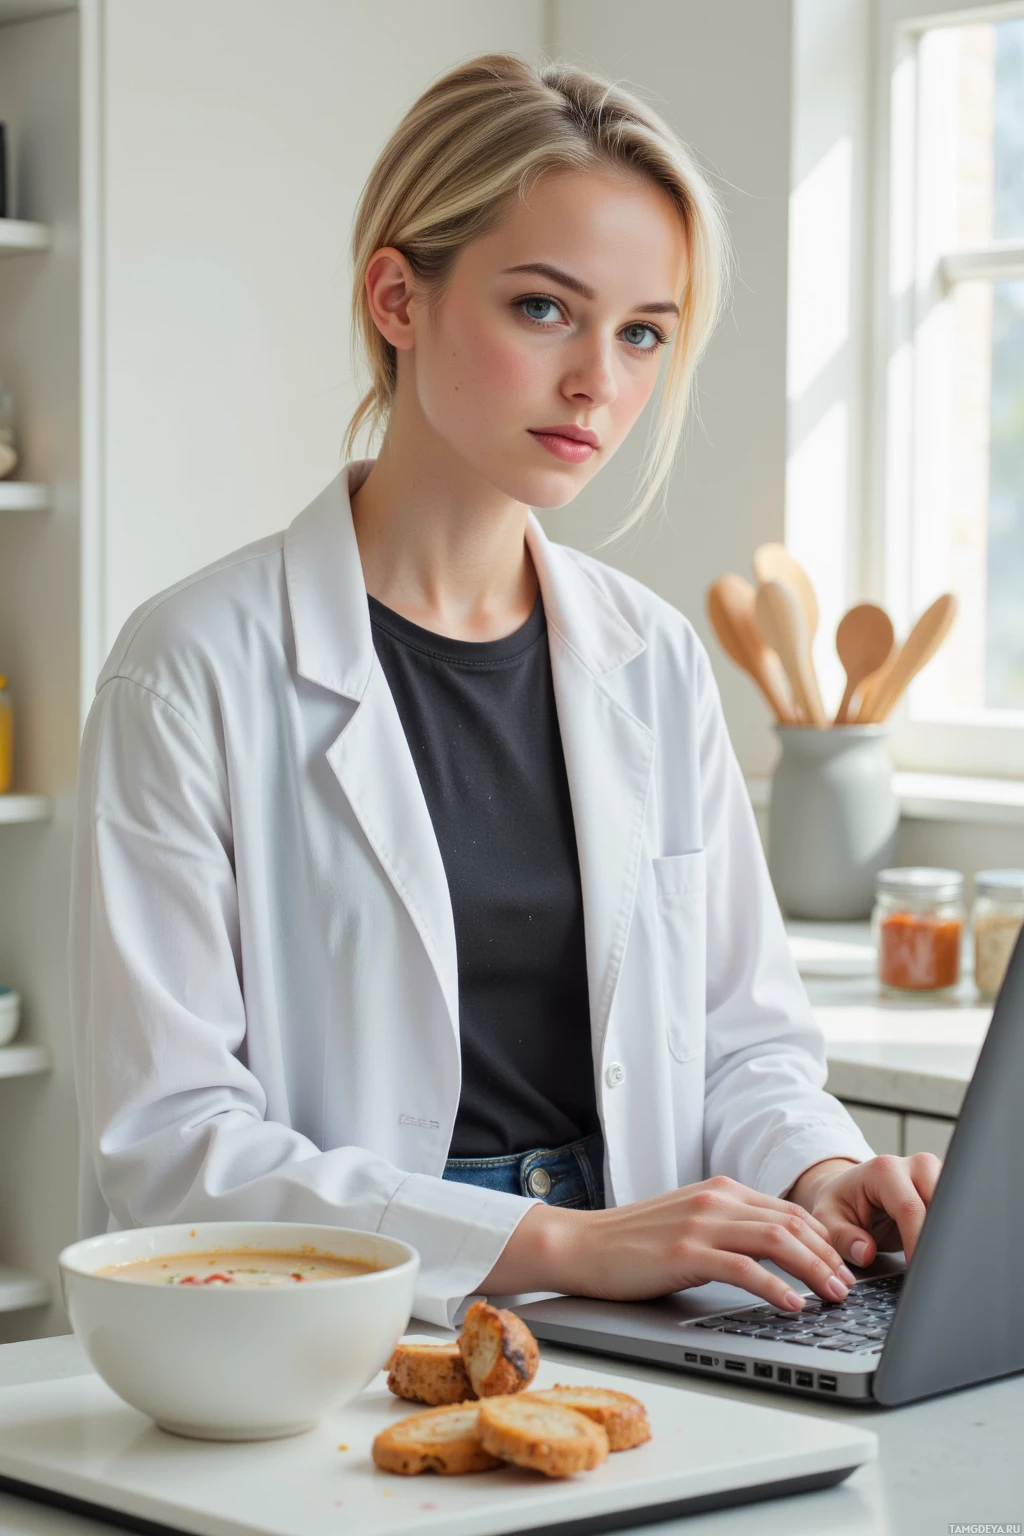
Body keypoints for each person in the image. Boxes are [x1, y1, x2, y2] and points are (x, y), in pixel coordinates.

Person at [68, 52, 941, 1330]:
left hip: (658, 1297)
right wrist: (563, 1242)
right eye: (544, 309)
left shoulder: (650, 657)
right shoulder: (189, 667)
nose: (600, 379)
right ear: (396, 296)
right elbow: (173, 1144)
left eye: (643, 331)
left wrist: (817, 1171)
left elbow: (746, 1045)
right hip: (341, 1322)